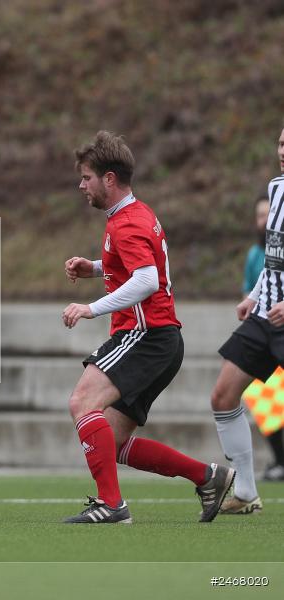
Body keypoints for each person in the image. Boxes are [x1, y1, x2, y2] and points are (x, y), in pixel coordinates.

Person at [62, 130, 233, 524]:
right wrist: (96, 269)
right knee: (113, 440)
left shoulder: (127, 224)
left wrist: (91, 308)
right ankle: (208, 477)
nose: (81, 185)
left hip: (145, 336)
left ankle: (112, 506)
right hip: (160, 339)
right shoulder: (134, 215)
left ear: (109, 178)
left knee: (82, 403)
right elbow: (136, 267)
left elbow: (146, 280)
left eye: (86, 177)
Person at [211, 126, 284, 514]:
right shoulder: (276, 188)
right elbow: (274, 257)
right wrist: (254, 295)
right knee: (223, 396)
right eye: (281, 142)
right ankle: (245, 491)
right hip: (264, 315)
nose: (283, 150)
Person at [238, 194, 284, 485]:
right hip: (266, 334)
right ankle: (280, 462)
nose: (264, 221)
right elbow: (248, 295)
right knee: (261, 396)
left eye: (269, 214)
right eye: (259, 216)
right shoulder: (256, 256)